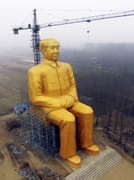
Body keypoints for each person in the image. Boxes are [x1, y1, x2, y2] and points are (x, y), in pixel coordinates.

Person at [28, 38, 99, 168]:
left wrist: (72, 97)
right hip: (47, 107)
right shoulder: (36, 71)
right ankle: (68, 153)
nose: (56, 51)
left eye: (57, 47)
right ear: (43, 50)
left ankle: (86, 144)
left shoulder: (66, 67)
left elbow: (73, 86)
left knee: (87, 111)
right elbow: (35, 98)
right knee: (68, 119)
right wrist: (60, 102)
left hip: (69, 101)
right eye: (52, 48)